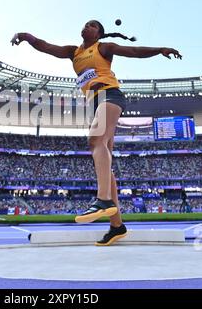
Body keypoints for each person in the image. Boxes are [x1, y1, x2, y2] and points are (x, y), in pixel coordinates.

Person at [11, 20, 182, 245]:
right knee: (105, 162)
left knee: (95, 140)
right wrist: (26, 36)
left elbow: (133, 51)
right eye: (85, 24)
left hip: (110, 95)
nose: (86, 26)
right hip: (94, 102)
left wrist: (159, 50)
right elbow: (46, 46)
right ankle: (117, 226)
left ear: (98, 33)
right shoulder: (74, 52)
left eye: (92, 25)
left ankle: (103, 200)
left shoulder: (103, 48)